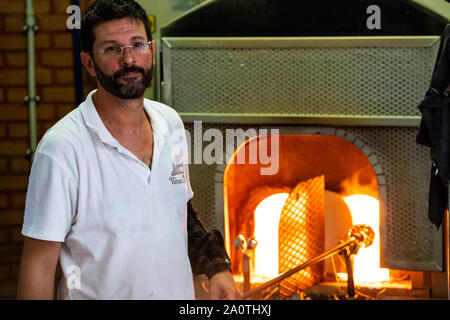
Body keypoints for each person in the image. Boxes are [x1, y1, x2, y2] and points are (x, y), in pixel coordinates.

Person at [17, 0, 240, 300]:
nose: (129, 59)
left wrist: (217, 269)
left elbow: (179, 214)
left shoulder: (169, 122)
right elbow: (38, 265)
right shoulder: (61, 148)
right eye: (112, 48)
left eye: (137, 44)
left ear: (151, 49)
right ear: (88, 63)